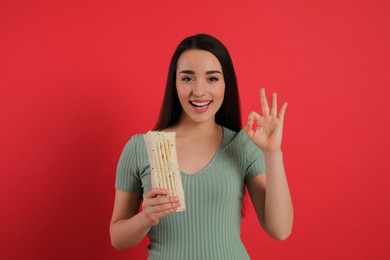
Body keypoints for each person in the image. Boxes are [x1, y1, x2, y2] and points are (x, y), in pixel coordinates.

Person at [110, 34, 293, 259]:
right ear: (174, 83)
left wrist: (272, 153)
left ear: (226, 84)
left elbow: (280, 229)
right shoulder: (141, 148)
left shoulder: (242, 145)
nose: (199, 91)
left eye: (212, 79)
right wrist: (144, 218)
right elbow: (117, 238)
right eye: (187, 78)